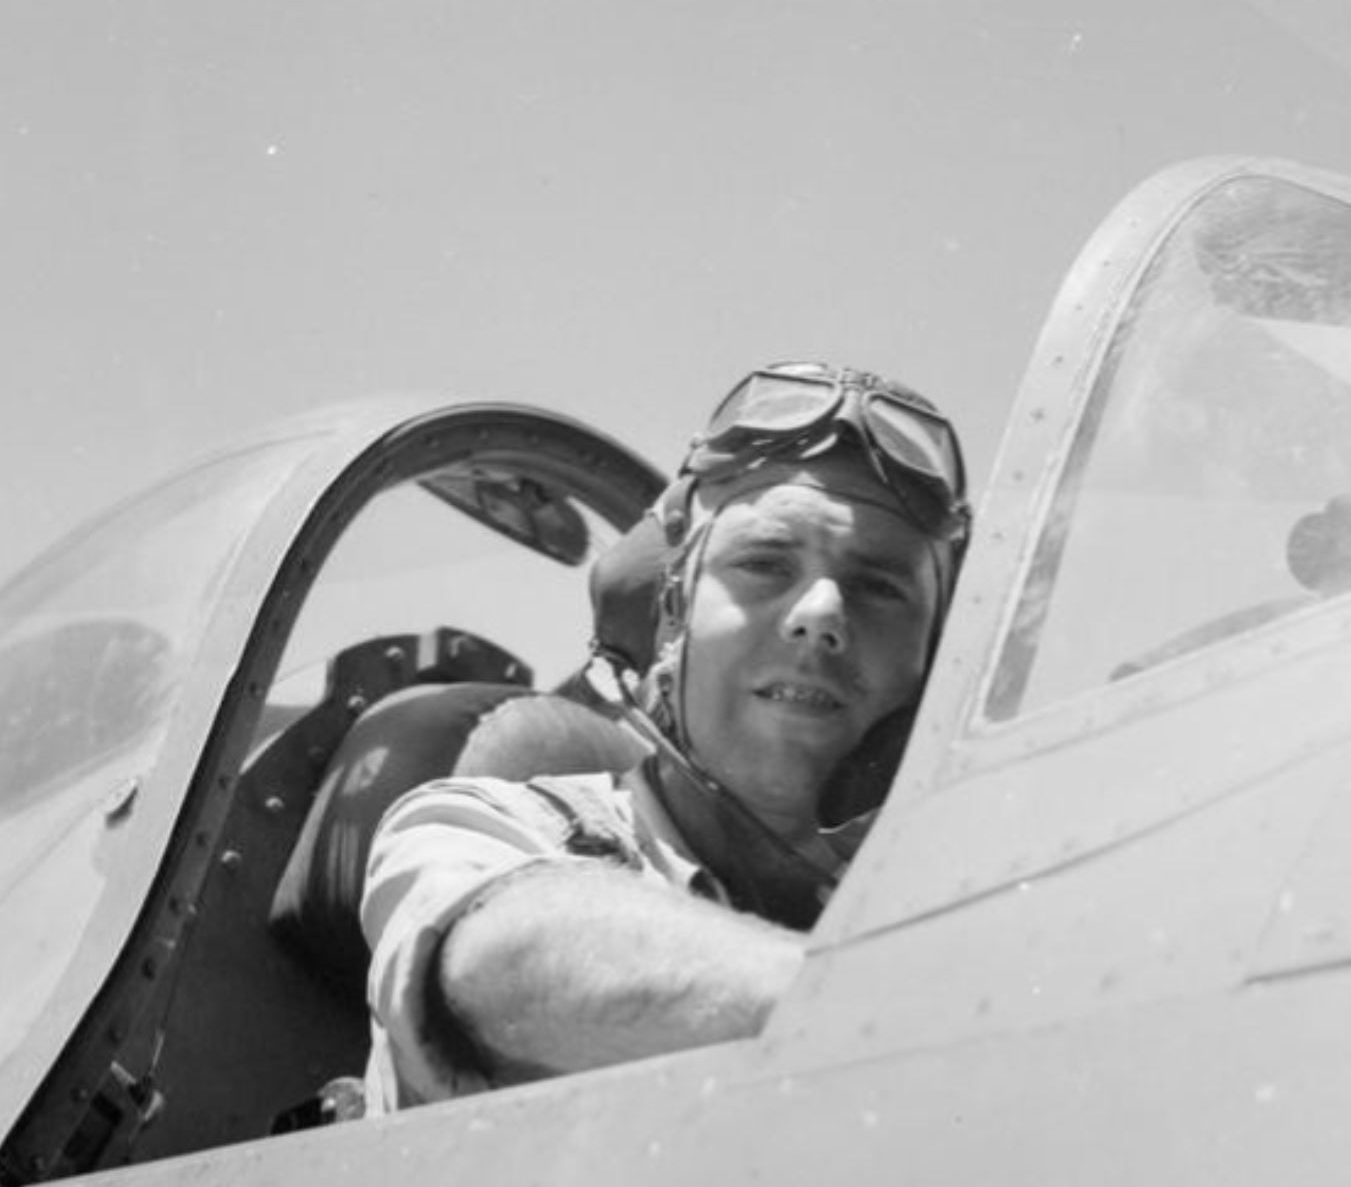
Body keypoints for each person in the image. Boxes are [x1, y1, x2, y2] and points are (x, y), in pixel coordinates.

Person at [357, 362, 969, 1111]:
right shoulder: (495, 825)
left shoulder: (964, 890)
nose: (822, 614)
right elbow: (500, 961)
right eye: (764, 563)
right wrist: (913, 1010)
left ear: (934, 658)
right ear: (671, 621)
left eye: (880, 587)